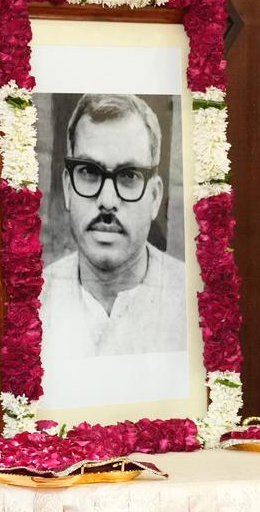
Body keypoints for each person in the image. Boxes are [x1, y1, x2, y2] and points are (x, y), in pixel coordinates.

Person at [40, 93, 186, 365]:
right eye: (89, 172)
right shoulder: (31, 303)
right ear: (68, 188)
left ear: (155, 197)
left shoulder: (194, 303)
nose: (107, 201)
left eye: (129, 176)